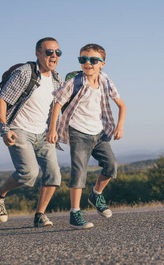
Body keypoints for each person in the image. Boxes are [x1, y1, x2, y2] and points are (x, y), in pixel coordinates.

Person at [47, 43, 126, 229]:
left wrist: (119, 127)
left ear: (102, 63)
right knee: (79, 172)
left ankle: (96, 195)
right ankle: (75, 214)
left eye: (93, 60)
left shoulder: (106, 82)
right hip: (78, 132)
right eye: (83, 59)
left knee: (111, 165)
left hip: (100, 132)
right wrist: (52, 130)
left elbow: (122, 105)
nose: (87, 63)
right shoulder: (73, 82)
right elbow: (57, 104)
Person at [0, 37, 63, 227]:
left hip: (43, 133)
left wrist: (54, 129)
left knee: (54, 175)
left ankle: (40, 215)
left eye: (57, 52)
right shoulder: (25, 73)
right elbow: (2, 99)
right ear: (38, 54)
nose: (53, 56)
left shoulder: (57, 79)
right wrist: (4, 129)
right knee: (29, 173)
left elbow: (58, 105)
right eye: (49, 52)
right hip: (19, 129)